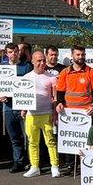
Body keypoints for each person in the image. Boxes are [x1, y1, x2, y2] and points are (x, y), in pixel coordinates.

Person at [21, 50, 60, 178]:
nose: (42, 63)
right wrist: (23, 109)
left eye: (43, 60)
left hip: (46, 114)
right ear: (32, 61)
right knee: (33, 142)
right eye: (39, 60)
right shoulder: (26, 78)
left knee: (50, 141)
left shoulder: (51, 78)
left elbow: (55, 98)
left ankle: (55, 166)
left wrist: (54, 113)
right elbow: (22, 96)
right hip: (31, 115)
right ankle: (35, 166)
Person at [0, 43, 33, 172]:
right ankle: (17, 161)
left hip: (22, 107)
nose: (13, 54)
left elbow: (30, 86)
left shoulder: (26, 67)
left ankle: (30, 161)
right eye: (10, 52)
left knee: (28, 136)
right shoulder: (1, 68)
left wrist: (25, 107)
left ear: (19, 52)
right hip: (7, 107)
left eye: (15, 52)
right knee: (14, 137)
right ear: (6, 54)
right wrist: (0, 96)